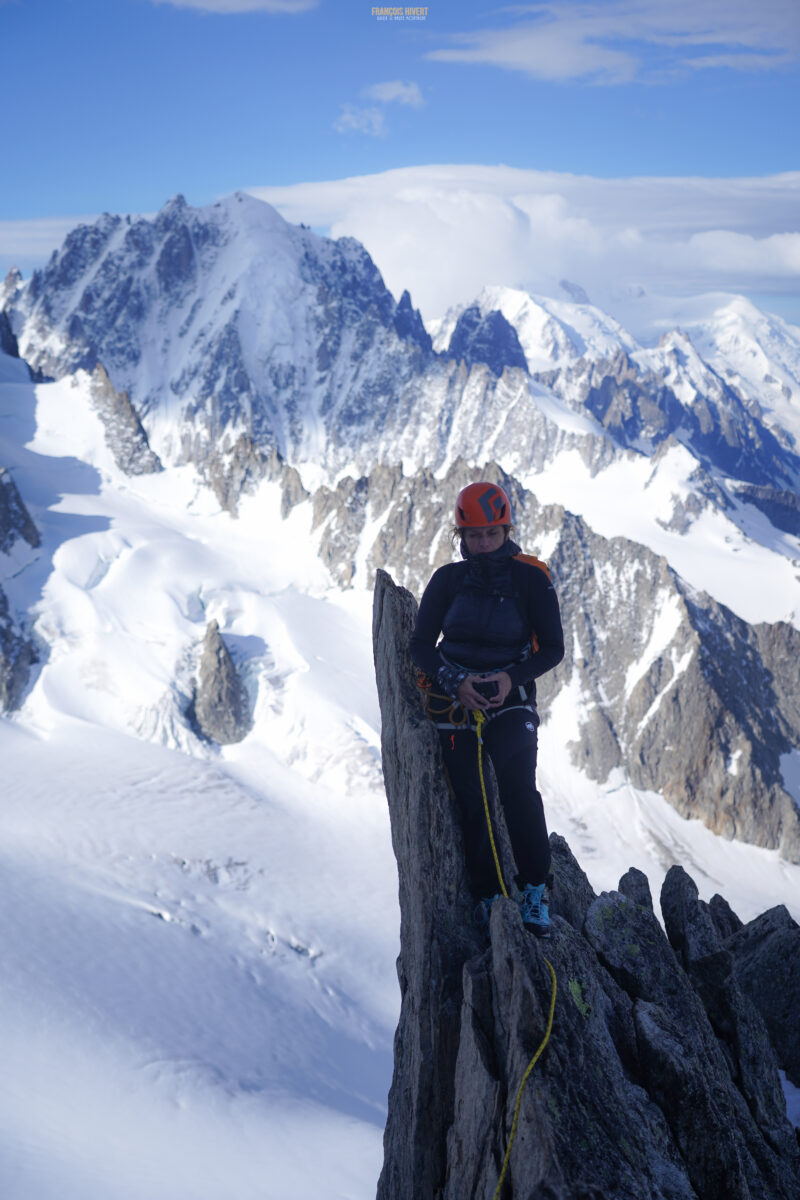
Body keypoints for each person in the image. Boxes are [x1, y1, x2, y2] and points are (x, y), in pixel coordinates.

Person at [410, 481, 564, 938]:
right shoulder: (447, 580)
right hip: (457, 702)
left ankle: (534, 891)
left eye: (490, 535)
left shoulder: (532, 579)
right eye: (473, 536)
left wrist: (507, 679)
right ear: (461, 536)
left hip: (509, 702)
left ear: (506, 530)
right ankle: (489, 896)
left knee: (519, 792)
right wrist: (455, 683)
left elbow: (552, 649)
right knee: (471, 799)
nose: (481, 544)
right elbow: (420, 646)